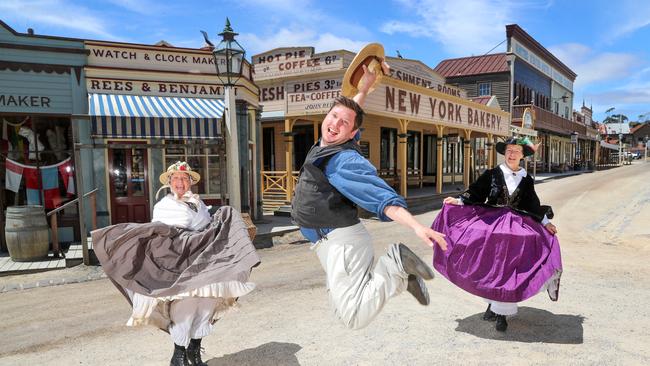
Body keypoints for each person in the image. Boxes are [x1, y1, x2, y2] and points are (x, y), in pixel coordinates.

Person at [291, 59, 448, 330]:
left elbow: (382, 198)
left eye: (344, 123)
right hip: (326, 244)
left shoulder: (343, 161)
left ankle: (395, 263)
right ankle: (400, 277)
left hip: (342, 242)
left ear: (352, 133)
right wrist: (363, 90)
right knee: (343, 313)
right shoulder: (325, 143)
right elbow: (350, 112)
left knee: (353, 317)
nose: (335, 124)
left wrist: (416, 226)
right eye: (333, 117)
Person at [92, 161, 260, 366]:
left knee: (207, 304)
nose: (180, 183)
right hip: (180, 264)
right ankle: (178, 356)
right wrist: (197, 236)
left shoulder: (198, 204)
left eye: (184, 178)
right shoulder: (164, 206)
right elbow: (171, 236)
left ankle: (195, 351)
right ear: (169, 183)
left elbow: (208, 230)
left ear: (190, 182)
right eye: (176, 179)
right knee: (186, 308)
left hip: (204, 262)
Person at [434, 137, 562, 332]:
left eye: (516, 151)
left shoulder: (527, 179)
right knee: (491, 266)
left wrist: (545, 222)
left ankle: (502, 312)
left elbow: (532, 204)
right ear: (505, 153)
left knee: (509, 269)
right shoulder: (493, 173)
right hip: (492, 224)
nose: (511, 154)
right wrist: (459, 202)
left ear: (522, 155)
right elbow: (476, 192)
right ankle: (492, 304)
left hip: (516, 226)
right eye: (509, 150)